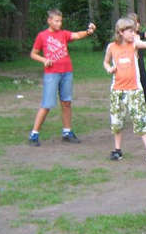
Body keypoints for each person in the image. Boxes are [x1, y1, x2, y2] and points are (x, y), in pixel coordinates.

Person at [28, 8, 96, 146]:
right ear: (49, 21)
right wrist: (44, 60)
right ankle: (34, 134)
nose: (59, 23)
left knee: (66, 102)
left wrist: (88, 32)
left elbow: (77, 35)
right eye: (56, 21)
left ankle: (67, 132)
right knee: (47, 104)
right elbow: (33, 54)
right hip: (52, 74)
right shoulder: (42, 36)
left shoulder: (63, 34)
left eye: (60, 21)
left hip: (67, 72)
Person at [103, 17, 146, 163]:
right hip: (117, 91)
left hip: (134, 90)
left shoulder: (134, 44)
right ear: (121, 32)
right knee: (117, 122)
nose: (133, 33)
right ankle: (117, 150)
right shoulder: (111, 47)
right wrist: (109, 68)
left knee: (141, 121)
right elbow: (105, 62)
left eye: (133, 31)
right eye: (130, 31)